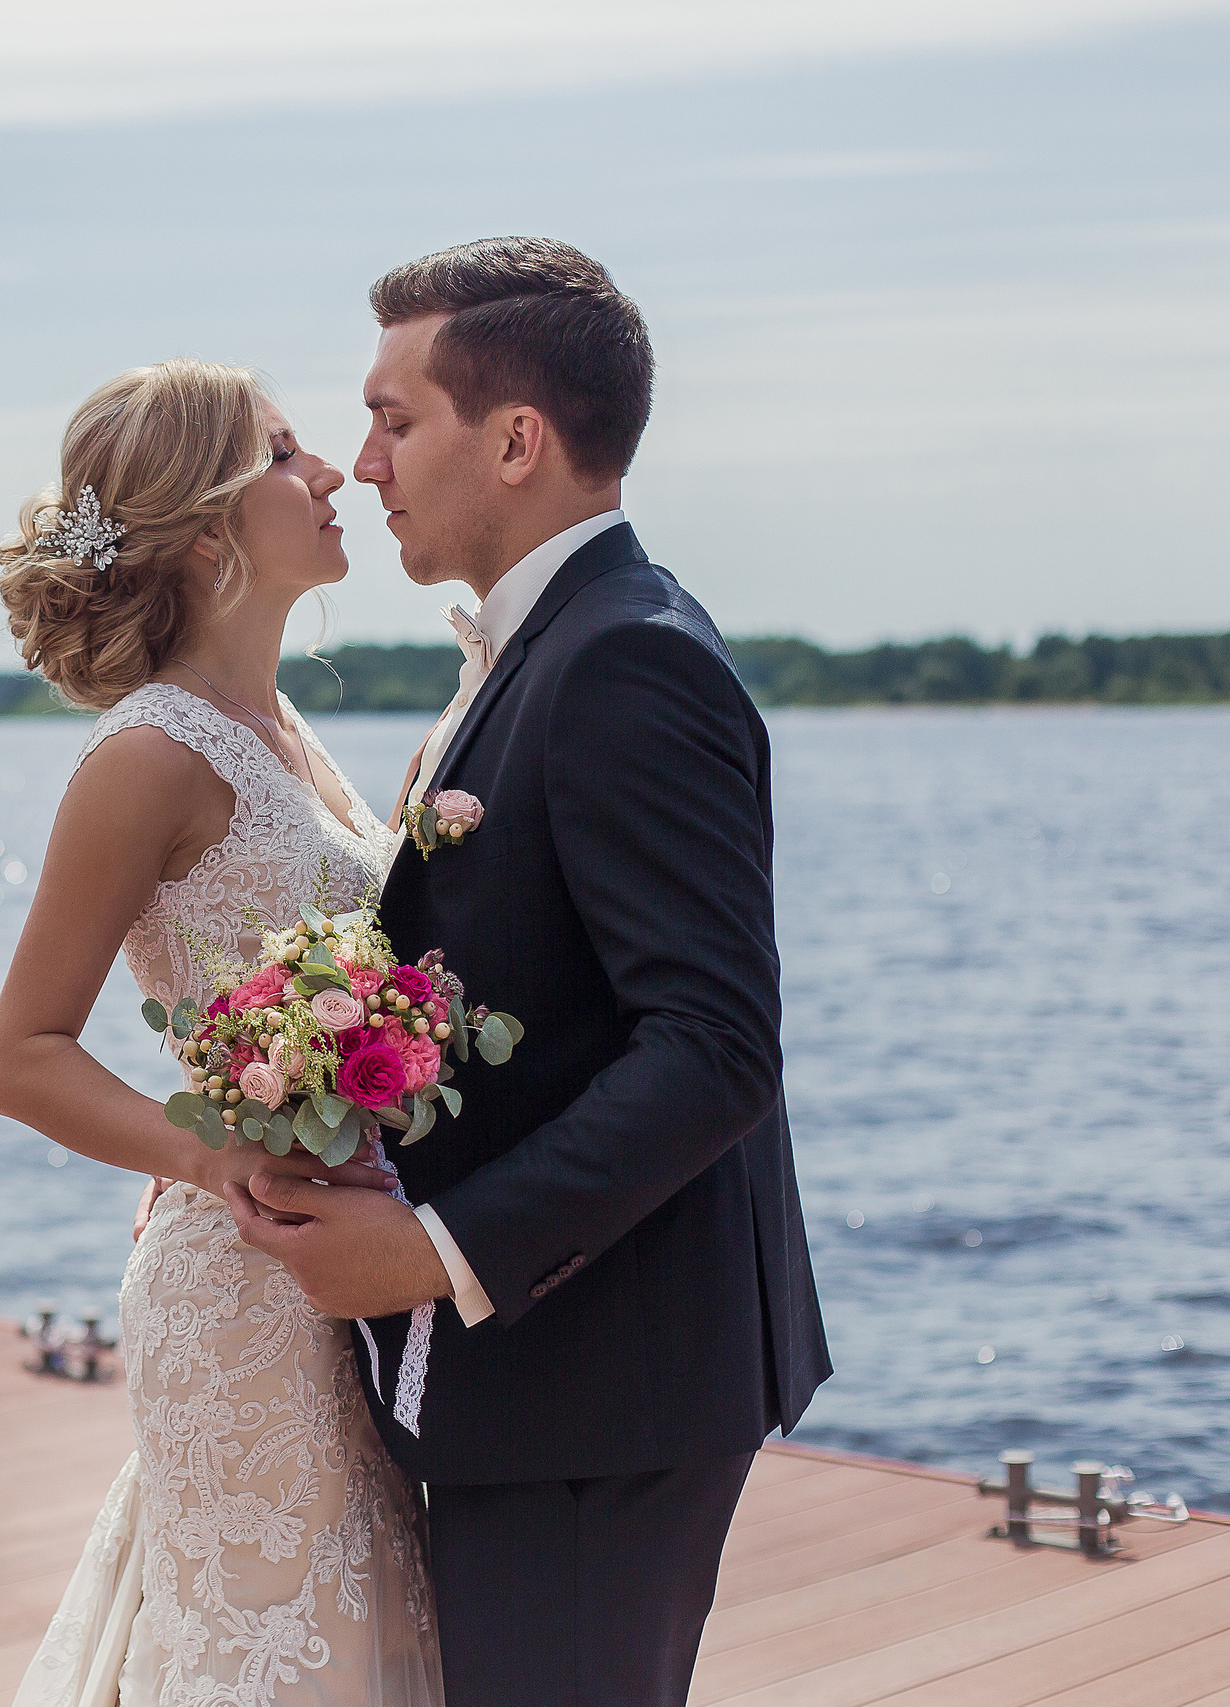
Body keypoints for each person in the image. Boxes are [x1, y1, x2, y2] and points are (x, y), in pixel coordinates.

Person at [227, 237, 833, 1706]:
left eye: (394, 417)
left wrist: (438, 1255)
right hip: (559, 1383)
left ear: (516, 441)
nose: (364, 462)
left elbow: (712, 1049)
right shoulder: (546, 644)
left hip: (603, 1388)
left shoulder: (628, 658)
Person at [0, 359, 444, 1707]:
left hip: (337, 1270)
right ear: (203, 531)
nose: (336, 472)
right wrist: (208, 1161)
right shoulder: (150, 756)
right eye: (287, 452)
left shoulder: (283, 733)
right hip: (238, 1287)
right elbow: (22, 1057)